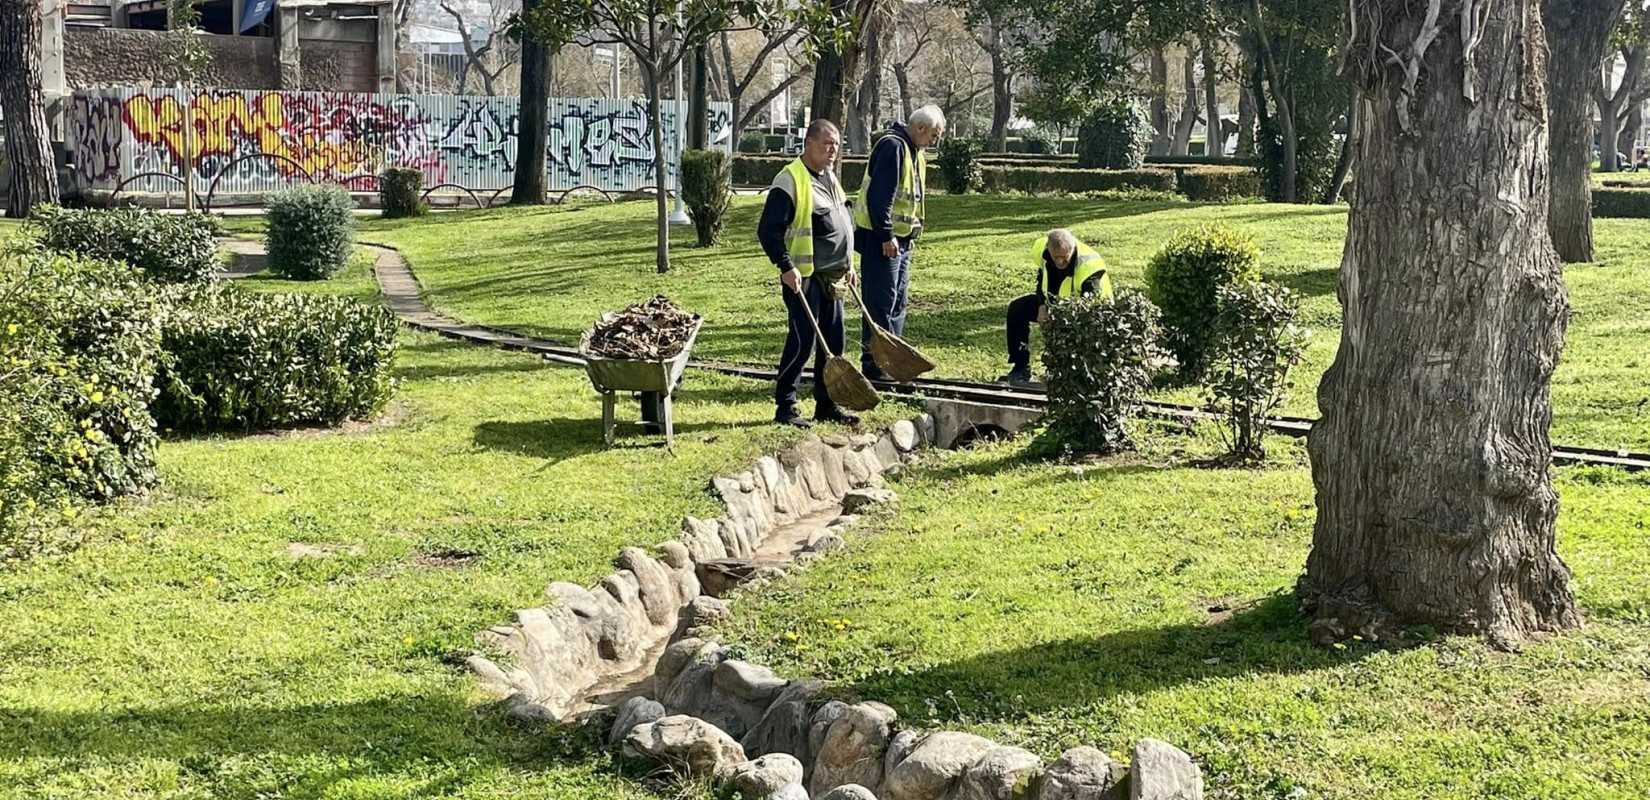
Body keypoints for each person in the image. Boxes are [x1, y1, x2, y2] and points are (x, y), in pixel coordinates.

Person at [757, 119, 861, 429]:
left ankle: (826, 404)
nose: (834, 149)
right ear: (809, 143)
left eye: (837, 144)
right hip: (804, 278)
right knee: (803, 341)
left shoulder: (830, 177)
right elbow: (768, 230)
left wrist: (850, 265)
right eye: (828, 143)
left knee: (834, 342)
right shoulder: (790, 180)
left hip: (835, 277)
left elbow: (842, 222)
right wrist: (786, 266)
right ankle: (785, 406)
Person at [852, 105, 946, 381]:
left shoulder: (913, 151)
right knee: (880, 304)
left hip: (901, 241)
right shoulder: (893, 147)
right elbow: (880, 198)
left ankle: (891, 360)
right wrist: (886, 235)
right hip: (883, 241)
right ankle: (874, 365)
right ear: (920, 128)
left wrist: (909, 236)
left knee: (897, 302)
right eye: (934, 136)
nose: (934, 142)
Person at [998, 228, 1114, 384]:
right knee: (1017, 309)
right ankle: (1020, 368)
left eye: (1064, 258)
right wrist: (1042, 306)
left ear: (1072, 250)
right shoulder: (1043, 251)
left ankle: (1072, 376)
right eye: (1056, 257)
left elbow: (1089, 309)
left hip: (1092, 313)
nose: (1059, 262)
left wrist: (1057, 320)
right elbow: (1042, 279)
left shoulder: (1089, 267)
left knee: (1069, 334)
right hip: (1057, 302)